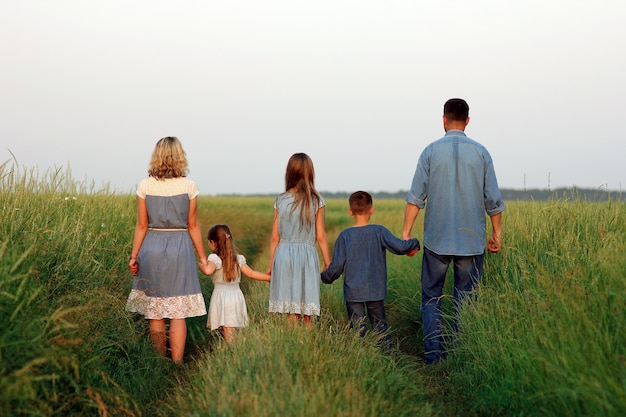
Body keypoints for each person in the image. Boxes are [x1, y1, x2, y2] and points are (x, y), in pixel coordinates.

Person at [402, 98, 505, 364]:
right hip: (471, 243)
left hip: (437, 241)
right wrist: (497, 234)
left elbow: (415, 198)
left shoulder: (430, 151)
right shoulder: (482, 153)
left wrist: (405, 234)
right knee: (466, 299)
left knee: (432, 297)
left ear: (444, 120)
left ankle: (434, 356)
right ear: (468, 121)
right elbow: (493, 200)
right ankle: (461, 354)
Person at [126, 136, 208, 364]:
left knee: (155, 309)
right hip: (180, 247)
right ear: (180, 156)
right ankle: (177, 363)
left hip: (151, 245)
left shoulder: (145, 185)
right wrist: (202, 257)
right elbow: (192, 225)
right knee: (178, 311)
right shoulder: (189, 186)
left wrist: (134, 257)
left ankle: (159, 363)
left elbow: (142, 225)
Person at [321, 191, 420, 349]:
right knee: (380, 326)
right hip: (375, 289)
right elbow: (399, 247)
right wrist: (414, 243)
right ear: (371, 209)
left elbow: (337, 267)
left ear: (350, 211)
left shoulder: (344, 236)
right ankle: (388, 357)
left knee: (357, 331)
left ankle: (360, 358)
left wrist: (325, 277)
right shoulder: (379, 231)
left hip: (353, 293)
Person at [268, 152, 331, 327]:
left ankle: (293, 344)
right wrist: (328, 262)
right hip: (307, 256)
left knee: (291, 308)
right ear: (310, 172)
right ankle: (307, 345)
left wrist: (271, 265)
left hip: (284, 255)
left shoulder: (281, 200)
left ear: (289, 172)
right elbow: (320, 236)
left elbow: (275, 237)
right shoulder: (317, 200)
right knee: (307, 310)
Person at [198, 224, 271, 344]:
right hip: (236, 295)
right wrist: (268, 278)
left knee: (227, 329)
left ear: (212, 242)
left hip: (222, 296)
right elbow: (251, 274)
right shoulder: (238, 258)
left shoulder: (214, 259)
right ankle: (235, 349)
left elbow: (207, 271)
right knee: (230, 328)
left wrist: (201, 264)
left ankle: (231, 350)